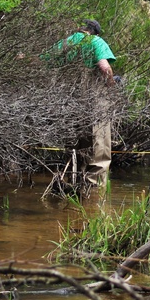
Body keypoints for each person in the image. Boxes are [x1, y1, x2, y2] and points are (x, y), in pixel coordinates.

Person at [42, 19, 117, 190]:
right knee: (98, 144)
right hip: (94, 101)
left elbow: (41, 61)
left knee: (74, 144)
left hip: (70, 102)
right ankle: (93, 193)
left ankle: (73, 183)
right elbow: (104, 67)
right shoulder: (96, 42)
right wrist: (111, 85)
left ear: (79, 29)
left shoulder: (65, 43)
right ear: (94, 32)